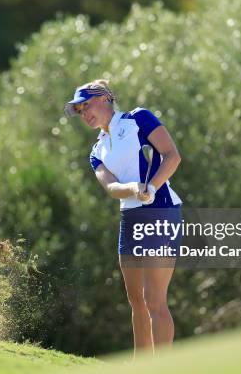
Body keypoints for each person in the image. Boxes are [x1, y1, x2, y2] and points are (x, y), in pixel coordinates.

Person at [64, 79, 183, 358]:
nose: (84, 114)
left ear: (105, 98)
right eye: (79, 111)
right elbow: (111, 187)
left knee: (155, 299)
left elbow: (172, 156)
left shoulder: (137, 119)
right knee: (136, 300)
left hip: (161, 210)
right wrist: (131, 189)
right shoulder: (96, 151)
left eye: (86, 105)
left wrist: (151, 187)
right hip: (130, 217)